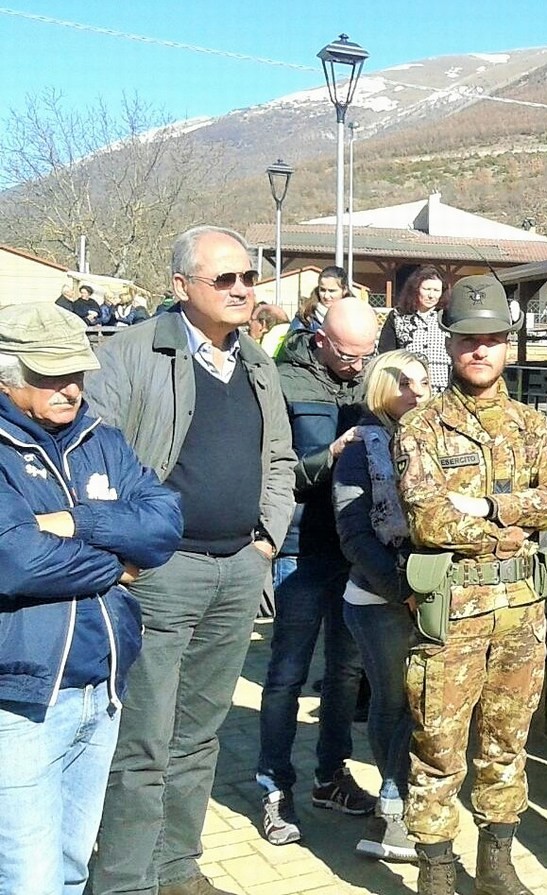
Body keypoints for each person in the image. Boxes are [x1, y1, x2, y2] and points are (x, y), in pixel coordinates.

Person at [85, 225, 296, 895]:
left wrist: (265, 542)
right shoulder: (133, 352)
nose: (241, 289)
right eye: (224, 279)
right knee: (143, 740)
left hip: (237, 569)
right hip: (161, 572)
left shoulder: (257, 361)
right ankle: (124, 880)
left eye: (248, 278)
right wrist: (128, 548)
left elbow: (282, 459)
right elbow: (97, 455)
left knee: (200, 734)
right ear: (182, 286)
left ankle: (177, 867)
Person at [393, 275, 547, 895]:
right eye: (469, 339)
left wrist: (492, 510)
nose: (480, 350)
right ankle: (437, 869)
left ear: (507, 344)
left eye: (493, 339)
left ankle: (496, 863)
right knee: (439, 745)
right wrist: (514, 520)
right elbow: (428, 516)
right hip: (454, 613)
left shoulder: (533, 426)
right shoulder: (422, 427)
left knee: (507, 742)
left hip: (521, 615)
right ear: (450, 344)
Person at [0, 303, 181, 895]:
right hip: (21, 698)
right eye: (50, 375)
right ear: (7, 374)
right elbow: (15, 560)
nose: (70, 388)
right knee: (29, 877)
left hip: (100, 689)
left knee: (75, 865)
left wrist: (74, 522)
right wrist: (114, 564)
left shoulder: (102, 439)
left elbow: (162, 524)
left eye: (76, 373)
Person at [255, 298, 382, 846]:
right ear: (322, 339)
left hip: (357, 550)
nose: (359, 365)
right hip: (302, 546)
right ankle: (274, 785)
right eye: (349, 355)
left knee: (345, 674)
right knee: (287, 673)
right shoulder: (281, 379)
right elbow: (272, 468)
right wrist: (329, 454)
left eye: (368, 354)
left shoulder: (375, 377)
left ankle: (331, 776)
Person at [332, 349, 432, 862]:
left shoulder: (425, 439)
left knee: (416, 704)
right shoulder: (359, 449)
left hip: (423, 595)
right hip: (379, 599)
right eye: (406, 383)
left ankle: (400, 804)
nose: (419, 392)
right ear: (379, 387)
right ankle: (390, 813)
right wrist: (403, 589)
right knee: (395, 704)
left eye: (424, 383)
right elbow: (353, 534)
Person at [378, 265, 452, 391]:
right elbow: (386, 354)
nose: (431, 295)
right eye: (427, 289)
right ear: (416, 289)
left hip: (443, 390)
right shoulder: (398, 316)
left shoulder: (448, 317)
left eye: (436, 290)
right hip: (409, 389)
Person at [290, 265, 350, 335]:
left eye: (332, 291)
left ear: (345, 290)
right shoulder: (305, 316)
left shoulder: (356, 315)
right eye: (322, 290)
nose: (326, 296)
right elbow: (292, 341)